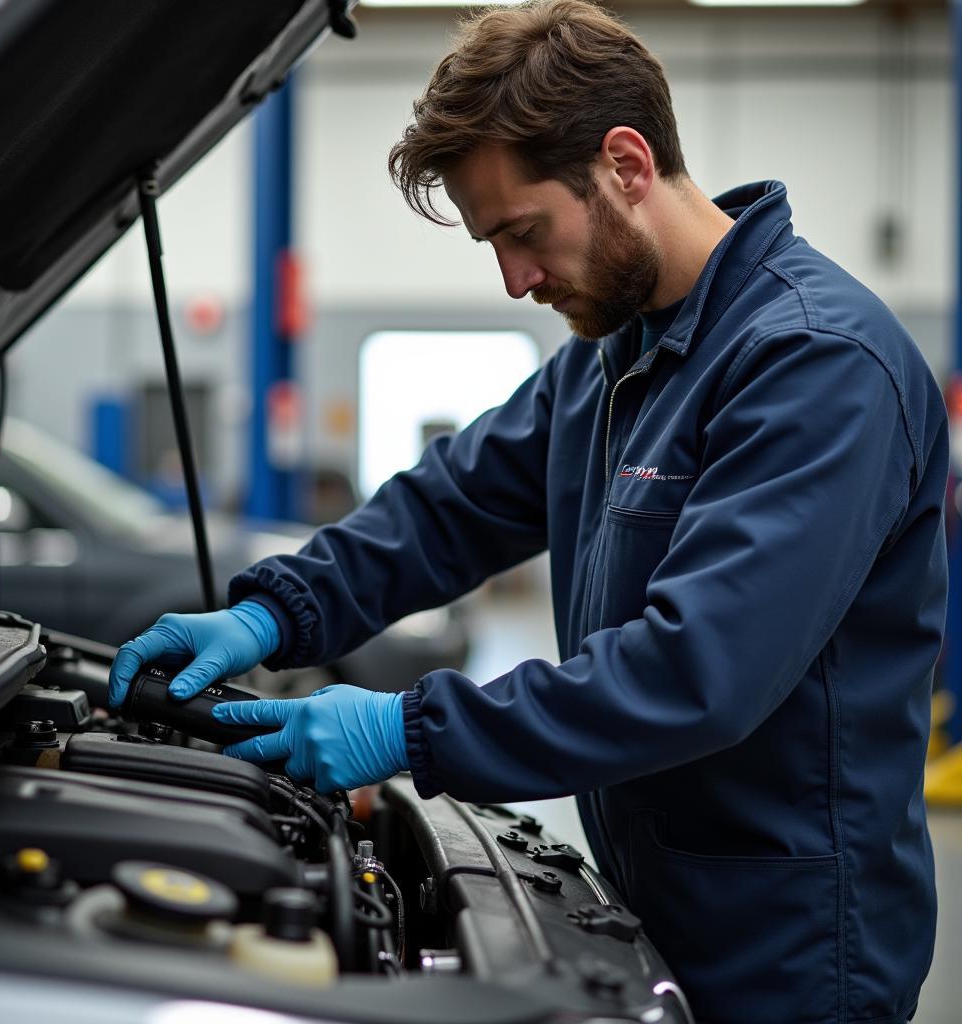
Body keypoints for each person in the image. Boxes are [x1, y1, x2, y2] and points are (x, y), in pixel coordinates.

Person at [109, 2, 947, 1021]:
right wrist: (273, 610)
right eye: (491, 244)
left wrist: (407, 728)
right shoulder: (612, 357)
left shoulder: (814, 364)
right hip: (649, 904)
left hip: (790, 952)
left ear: (625, 164)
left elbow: (696, 672)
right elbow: (448, 507)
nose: (514, 279)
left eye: (523, 232)